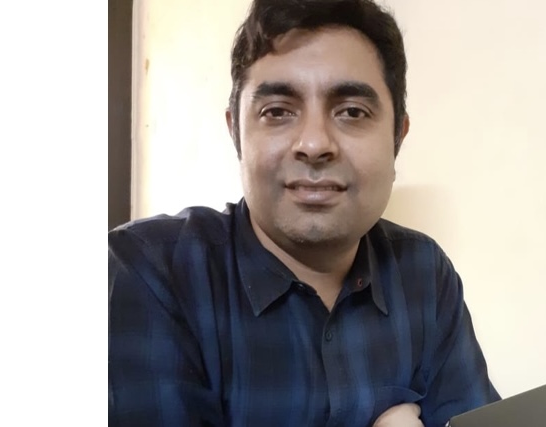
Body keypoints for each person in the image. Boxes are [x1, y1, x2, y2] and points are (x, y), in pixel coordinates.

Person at [108, 0, 500, 425]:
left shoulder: (424, 274)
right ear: (236, 132)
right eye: (277, 112)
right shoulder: (149, 271)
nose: (314, 144)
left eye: (352, 112)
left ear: (397, 138)